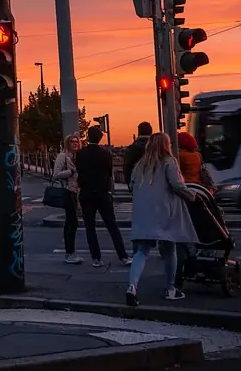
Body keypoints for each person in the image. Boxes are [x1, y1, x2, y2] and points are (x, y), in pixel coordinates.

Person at [125, 133, 197, 306]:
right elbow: (177, 185)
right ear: (166, 145)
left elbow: (131, 186)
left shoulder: (140, 165)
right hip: (165, 211)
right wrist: (192, 196)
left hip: (144, 214)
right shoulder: (168, 162)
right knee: (169, 249)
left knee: (141, 252)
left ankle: (132, 287)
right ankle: (170, 289)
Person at [76, 126, 131, 267]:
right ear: (100, 138)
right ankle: (123, 256)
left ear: (88, 137)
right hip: (102, 192)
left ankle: (96, 258)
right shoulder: (105, 154)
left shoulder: (81, 153)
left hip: (86, 192)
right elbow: (109, 173)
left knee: (90, 226)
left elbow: (79, 171)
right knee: (112, 225)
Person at [52, 135, 82, 265]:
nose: (75, 144)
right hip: (67, 191)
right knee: (72, 222)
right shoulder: (62, 156)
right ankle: (69, 253)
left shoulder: (78, 158)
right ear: (67, 143)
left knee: (72, 222)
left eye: (77, 142)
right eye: (72, 142)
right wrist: (71, 171)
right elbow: (56, 175)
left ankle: (71, 252)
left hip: (76, 192)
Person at [123, 122, 153, 191]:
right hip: (155, 185)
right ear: (151, 132)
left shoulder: (131, 149)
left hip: (137, 185)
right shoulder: (157, 148)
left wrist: (130, 185)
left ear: (139, 132)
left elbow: (127, 167)